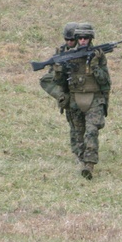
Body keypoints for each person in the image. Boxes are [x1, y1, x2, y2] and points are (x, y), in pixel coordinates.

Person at [63, 23, 111, 180]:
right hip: (75, 99)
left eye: (86, 38)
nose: (83, 41)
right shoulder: (68, 56)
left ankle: (89, 165)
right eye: (80, 38)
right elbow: (56, 81)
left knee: (91, 131)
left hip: (94, 99)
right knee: (79, 134)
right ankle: (81, 157)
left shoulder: (98, 55)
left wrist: (95, 65)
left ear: (91, 39)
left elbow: (105, 81)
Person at [39, 22, 82, 155]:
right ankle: (78, 153)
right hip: (69, 95)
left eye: (72, 40)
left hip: (84, 93)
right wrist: (60, 95)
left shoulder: (86, 51)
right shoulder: (61, 52)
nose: (69, 42)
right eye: (66, 39)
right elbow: (48, 79)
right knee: (74, 126)